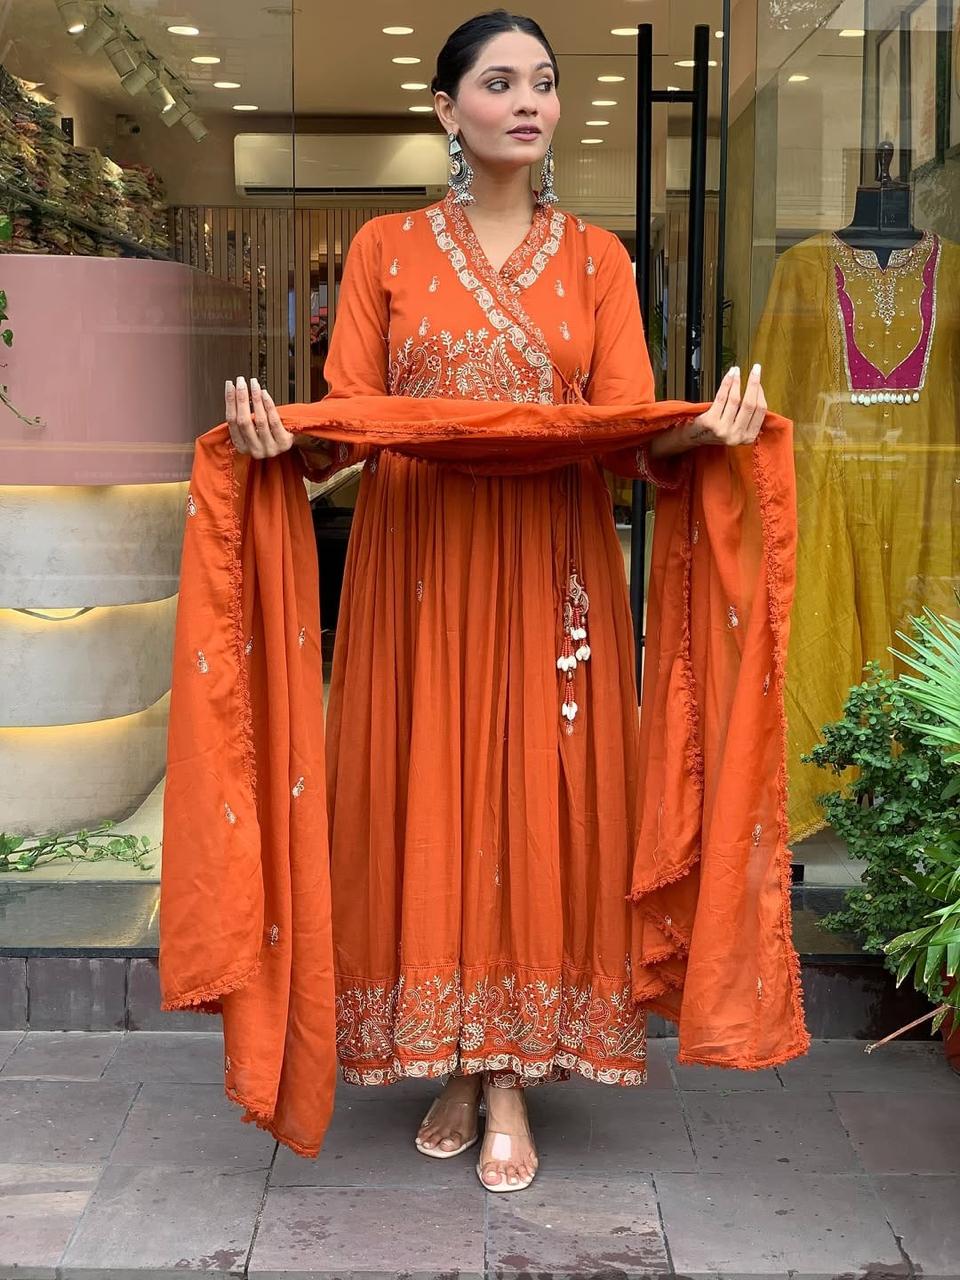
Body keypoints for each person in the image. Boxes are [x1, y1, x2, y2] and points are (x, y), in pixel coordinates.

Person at [222, 10, 772, 1193]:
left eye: (546, 83)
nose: (529, 100)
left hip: (551, 567)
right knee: (429, 787)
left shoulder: (600, 260)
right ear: (446, 111)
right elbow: (350, 422)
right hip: (416, 563)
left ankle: (511, 1061)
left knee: (535, 795)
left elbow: (627, 430)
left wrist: (700, 432)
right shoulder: (383, 250)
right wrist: (282, 442)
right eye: (500, 82)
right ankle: (455, 1053)